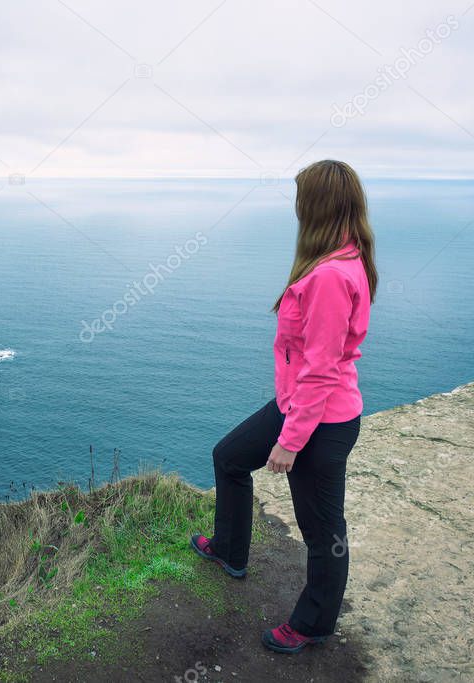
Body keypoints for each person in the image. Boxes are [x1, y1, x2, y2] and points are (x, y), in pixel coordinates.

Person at [190, 159, 377, 654]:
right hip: (299, 404)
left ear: (316, 207)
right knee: (228, 456)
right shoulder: (339, 259)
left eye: (300, 200)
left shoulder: (331, 277)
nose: (296, 209)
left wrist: (290, 442)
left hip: (321, 418)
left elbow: (321, 368)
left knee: (322, 531)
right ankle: (230, 550)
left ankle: (313, 623)